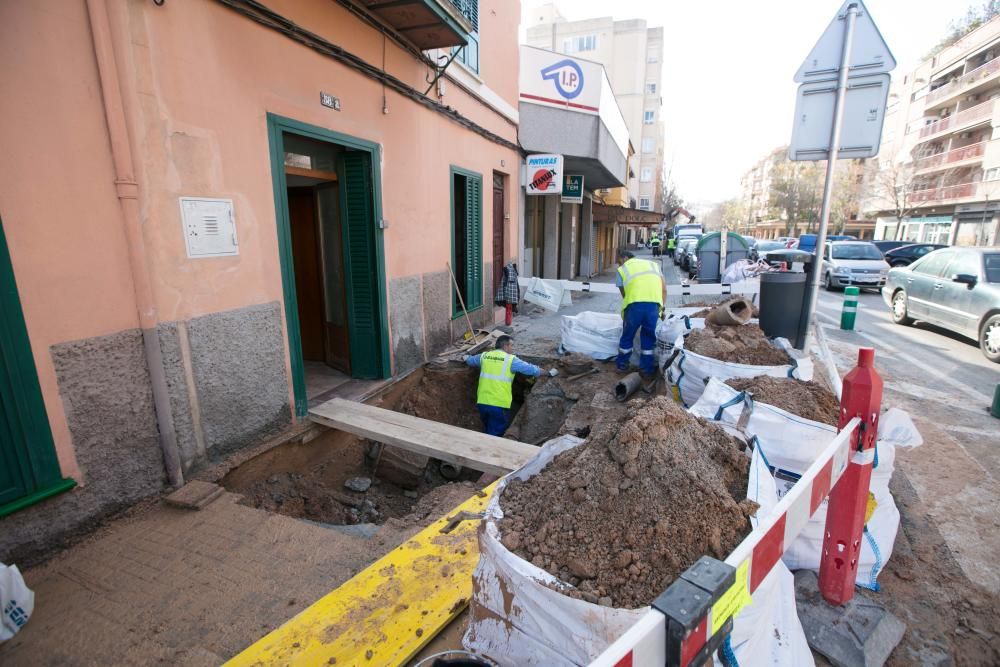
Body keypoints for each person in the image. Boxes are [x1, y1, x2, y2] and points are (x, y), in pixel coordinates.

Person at [465, 335, 545, 437]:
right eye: (512, 345)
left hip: (482, 402)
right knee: (496, 434)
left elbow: (469, 360)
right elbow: (531, 369)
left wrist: (465, 357)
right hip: (499, 404)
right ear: (505, 346)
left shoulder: (484, 356)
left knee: (488, 427)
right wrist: (547, 372)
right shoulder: (511, 360)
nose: (513, 348)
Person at [615, 250, 666, 377]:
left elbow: (624, 293)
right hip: (653, 306)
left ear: (625, 258)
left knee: (627, 336)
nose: (618, 265)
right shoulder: (654, 265)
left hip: (634, 305)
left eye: (619, 262)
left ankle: (622, 366)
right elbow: (664, 289)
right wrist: (662, 308)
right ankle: (646, 370)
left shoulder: (623, 269)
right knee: (648, 337)